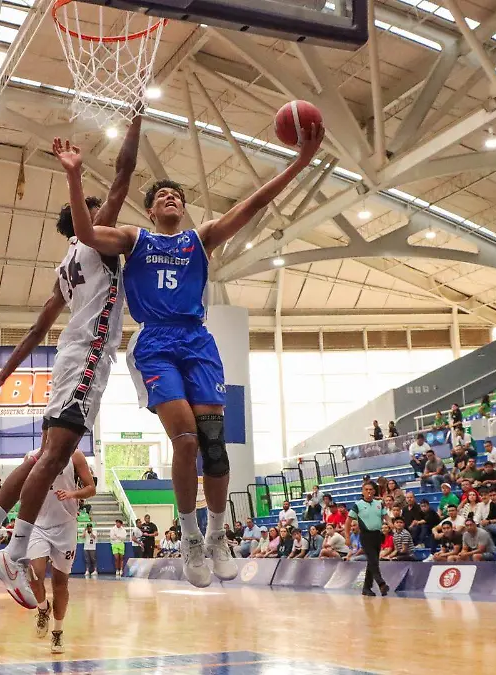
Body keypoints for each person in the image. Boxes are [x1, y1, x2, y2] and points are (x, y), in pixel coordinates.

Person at [62, 120, 325, 588]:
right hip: (155, 343)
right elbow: (85, 233)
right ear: (150, 209)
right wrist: (75, 176)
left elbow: (253, 203)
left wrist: (300, 162)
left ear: (183, 209)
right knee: (185, 441)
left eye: (177, 196)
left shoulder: (199, 239)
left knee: (214, 446)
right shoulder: (134, 239)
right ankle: (189, 538)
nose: (171, 198)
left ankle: (217, 535)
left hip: (197, 342)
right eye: (162, 195)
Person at [0, 117, 141, 608]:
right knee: (55, 458)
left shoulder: (64, 267)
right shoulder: (95, 241)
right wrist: (136, 116)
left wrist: (2, 375)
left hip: (68, 356)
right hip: (87, 356)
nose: (110, 216)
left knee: (41, 458)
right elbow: (123, 175)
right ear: (88, 217)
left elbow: (38, 330)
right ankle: (13, 553)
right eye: (99, 212)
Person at [24, 447, 96, 655]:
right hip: (38, 524)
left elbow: (91, 488)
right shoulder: (32, 456)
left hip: (66, 526)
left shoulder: (75, 455)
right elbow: (23, 488)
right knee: (33, 574)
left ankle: (57, 631)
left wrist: (73, 494)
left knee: (60, 584)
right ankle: (42, 608)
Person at [350, 482, 389, 596]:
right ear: (362, 491)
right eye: (366, 489)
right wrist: (347, 536)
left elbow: (385, 516)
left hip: (377, 535)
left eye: (371, 489)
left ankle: (366, 588)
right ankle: (381, 583)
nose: (369, 491)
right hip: (365, 536)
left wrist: (390, 524)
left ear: (374, 491)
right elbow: (348, 520)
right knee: (373, 560)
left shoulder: (379, 504)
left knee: (372, 562)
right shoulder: (358, 505)